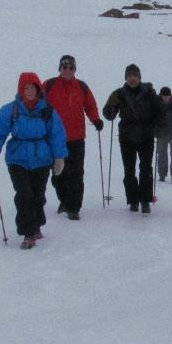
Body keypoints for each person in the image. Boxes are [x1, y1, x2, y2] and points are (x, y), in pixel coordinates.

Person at [0, 72, 68, 249]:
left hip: (42, 159)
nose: (29, 91)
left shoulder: (47, 110)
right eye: (26, 88)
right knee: (24, 195)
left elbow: (57, 134)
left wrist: (59, 157)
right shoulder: (11, 109)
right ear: (20, 90)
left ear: (38, 89)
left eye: (32, 88)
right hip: (18, 158)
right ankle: (28, 233)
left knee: (38, 195)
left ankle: (36, 224)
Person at [43, 54, 103, 220]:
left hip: (76, 138)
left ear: (75, 69)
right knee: (57, 174)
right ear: (60, 69)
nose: (68, 70)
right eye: (65, 67)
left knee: (77, 174)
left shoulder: (81, 86)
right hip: (55, 139)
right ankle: (64, 199)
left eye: (71, 67)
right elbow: (38, 104)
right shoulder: (49, 85)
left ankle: (74, 207)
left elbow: (90, 105)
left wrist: (96, 119)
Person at [102, 63, 164, 213]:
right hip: (127, 136)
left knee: (145, 168)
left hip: (146, 135)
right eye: (129, 75)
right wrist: (110, 109)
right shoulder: (118, 93)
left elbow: (159, 110)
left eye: (135, 75)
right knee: (129, 169)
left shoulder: (149, 92)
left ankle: (145, 200)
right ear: (126, 77)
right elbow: (108, 114)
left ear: (139, 77)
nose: (132, 78)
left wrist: (156, 125)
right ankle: (133, 200)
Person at [156, 86, 172, 183]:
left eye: (168, 96)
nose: (166, 98)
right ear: (161, 95)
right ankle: (162, 174)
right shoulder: (157, 104)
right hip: (161, 133)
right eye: (164, 96)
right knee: (162, 154)